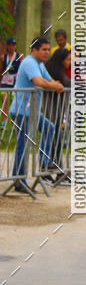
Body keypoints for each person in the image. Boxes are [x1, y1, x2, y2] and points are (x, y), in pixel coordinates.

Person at [9, 37, 64, 191]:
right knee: (23, 146)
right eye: (44, 49)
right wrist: (54, 86)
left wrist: (55, 84)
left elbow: (50, 80)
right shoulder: (29, 62)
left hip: (32, 111)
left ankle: (44, 162)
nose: (47, 52)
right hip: (22, 111)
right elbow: (39, 82)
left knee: (49, 128)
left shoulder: (40, 64)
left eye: (48, 49)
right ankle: (19, 180)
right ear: (34, 50)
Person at [43, 47, 71, 175]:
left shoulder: (59, 69)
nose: (69, 62)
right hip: (51, 107)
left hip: (57, 107)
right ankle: (50, 165)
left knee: (57, 136)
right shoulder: (53, 69)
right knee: (53, 136)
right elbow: (65, 83)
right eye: (68, 60)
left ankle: (58, 165)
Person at [1, 37, 23, 122]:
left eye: (13, 45)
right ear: (7, 46)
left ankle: (15, 120)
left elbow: (22, 69)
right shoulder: (3, 57)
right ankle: (4, 120)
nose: (11, 47)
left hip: (15, 81)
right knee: (4, 98)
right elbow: (1, 69)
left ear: (15, 46)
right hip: (5, 81)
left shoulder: (20, 56)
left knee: (15, 101)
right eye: (9, 45)